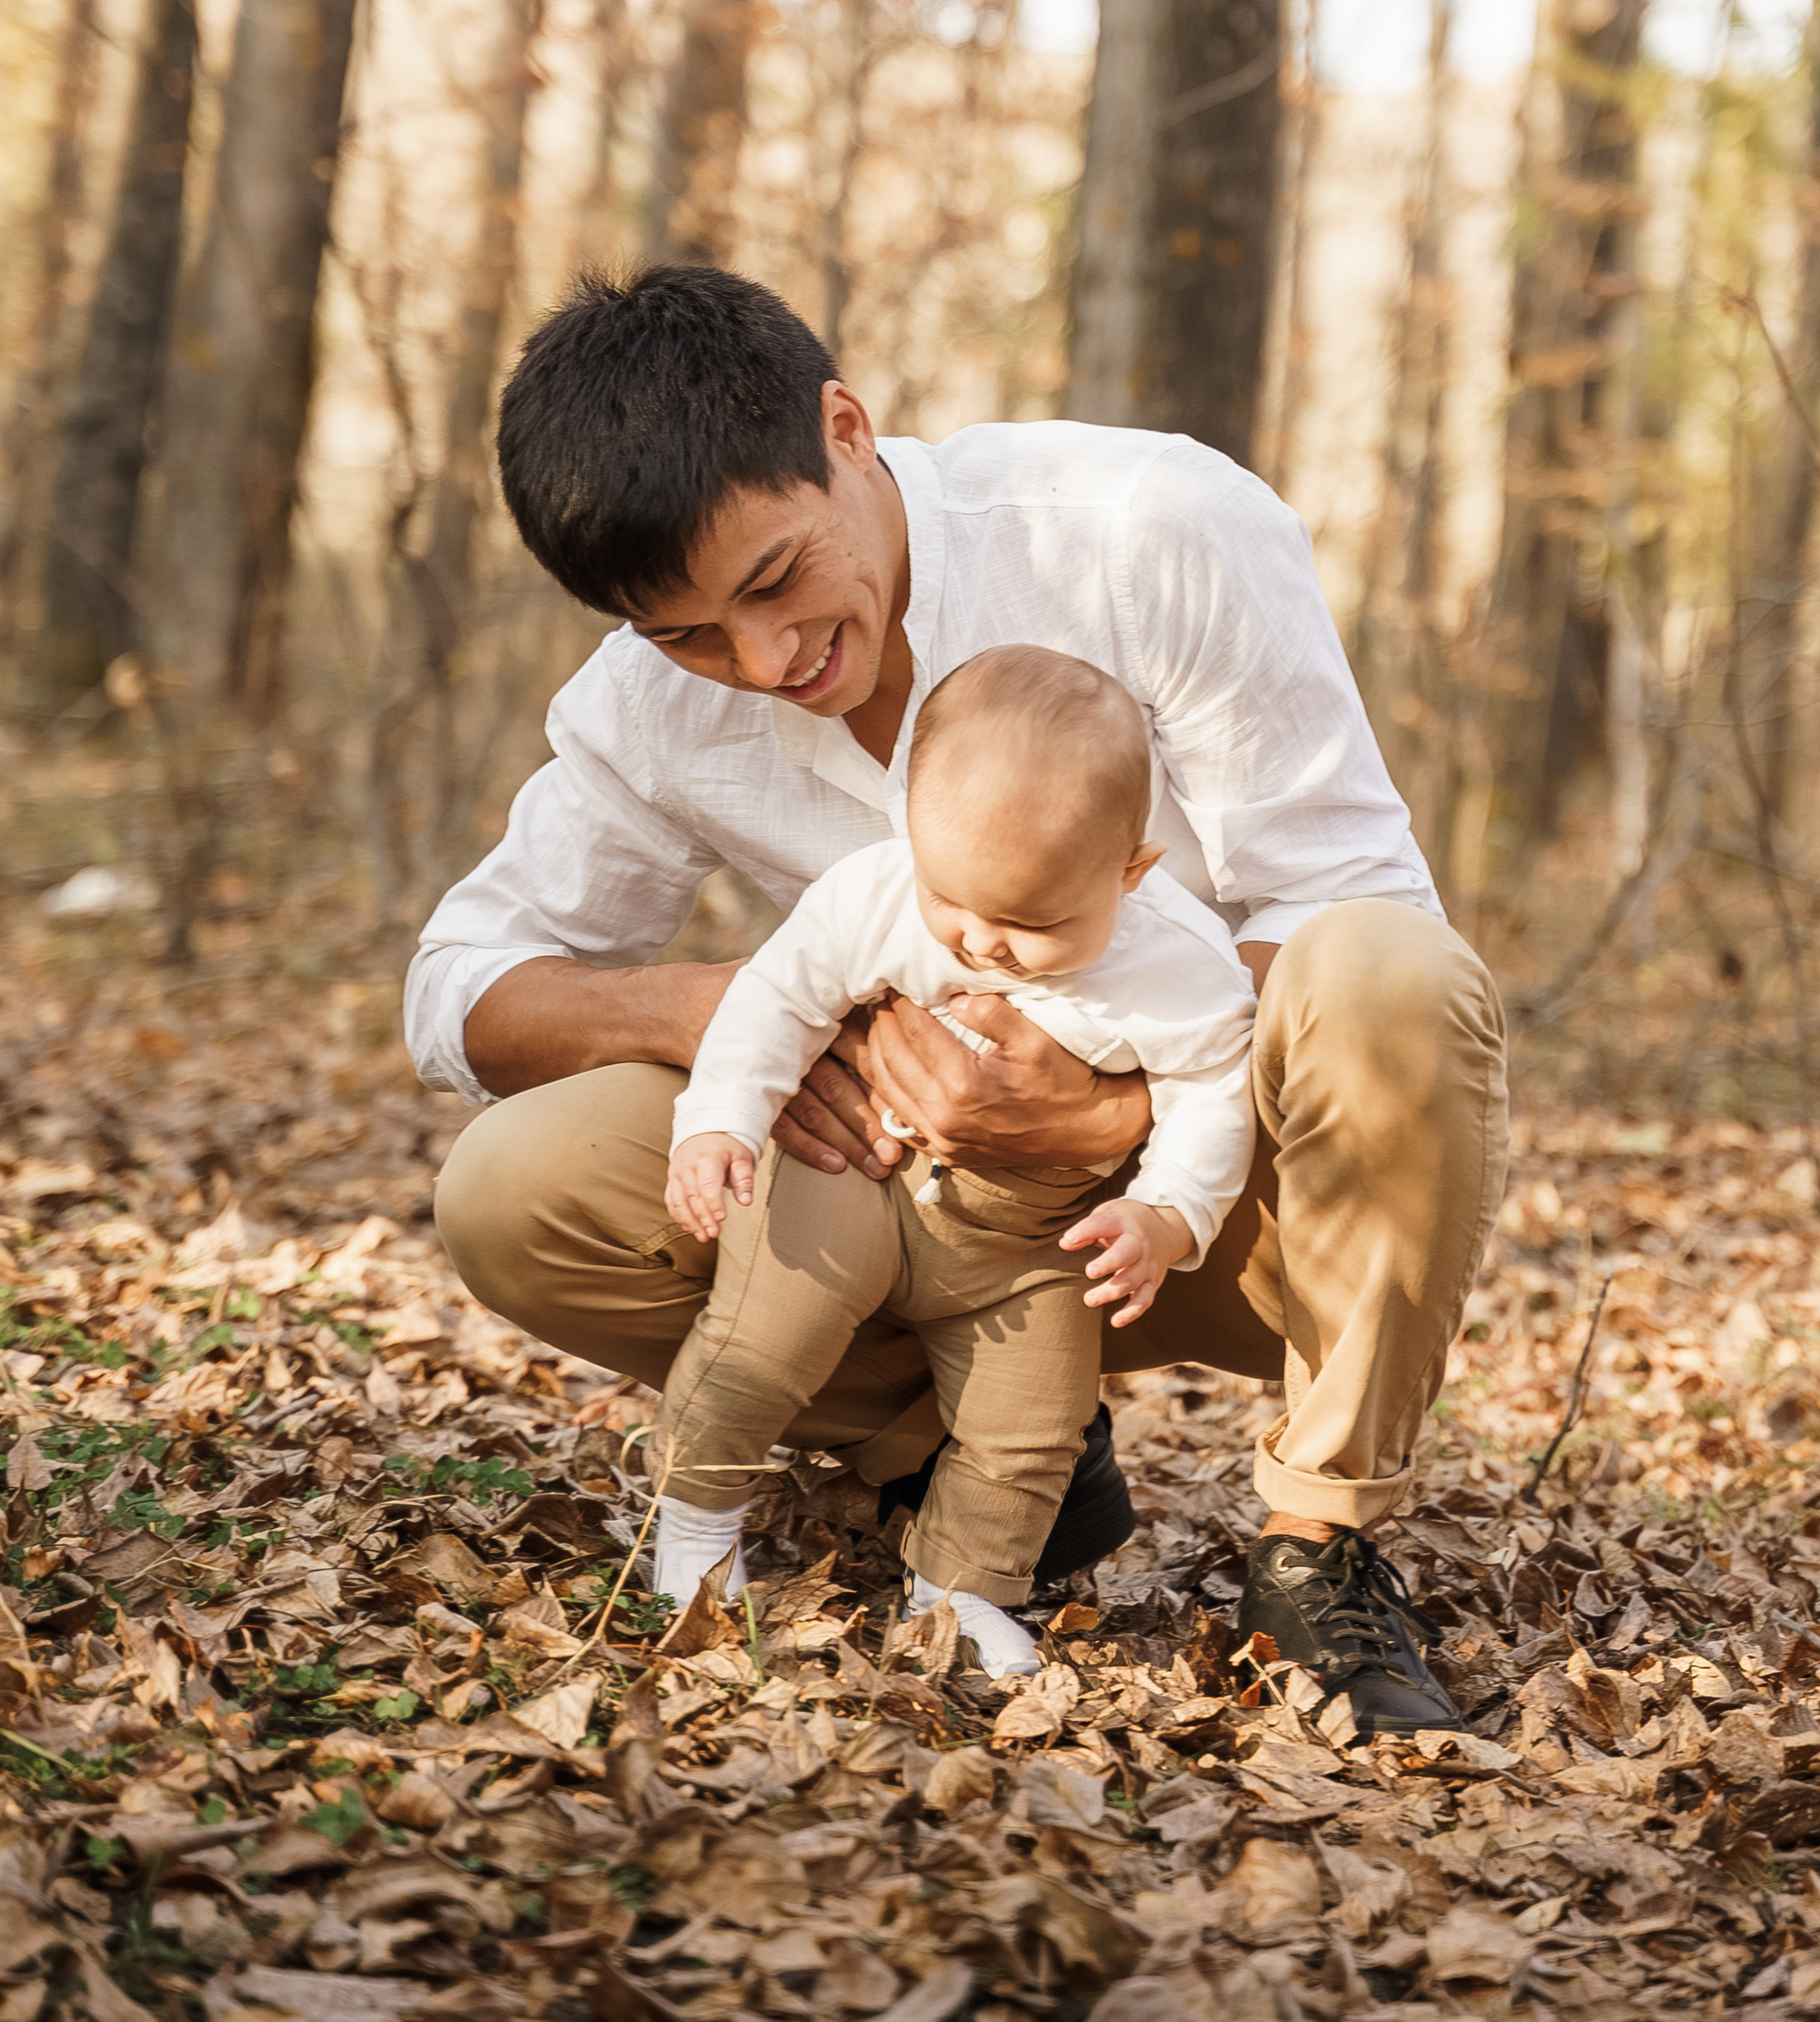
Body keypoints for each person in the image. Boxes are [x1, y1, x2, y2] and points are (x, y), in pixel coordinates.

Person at [411, 264, 1509, 1742]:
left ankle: (1320, 1550)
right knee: (513, 1188)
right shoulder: (648, 702)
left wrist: (1107, 1110)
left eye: (774, 582)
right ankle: (948, 1451)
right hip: (909, 1220)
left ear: (848, 430)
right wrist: (709, 1007)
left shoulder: (1148, 531)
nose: (766, 664)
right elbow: (457, 994)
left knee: (1397, 979)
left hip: (1214, 1210)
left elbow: (1357, 922)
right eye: (687, 637)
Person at [653, 643, 1256, 1677]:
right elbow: (779, 997)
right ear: (913, 835)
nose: (983, 944)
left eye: (1033, 923)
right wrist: (718, 1118)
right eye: (958, 906)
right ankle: (696, 1518)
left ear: (1131, 872)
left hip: (1026, 1238)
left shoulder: (1181, 967)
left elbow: (1216, 1090)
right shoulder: (879, 892)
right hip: (857, 1172)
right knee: (764, 1332)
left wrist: (1166, 1212)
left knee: (1033, 1427)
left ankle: (958, 1592)